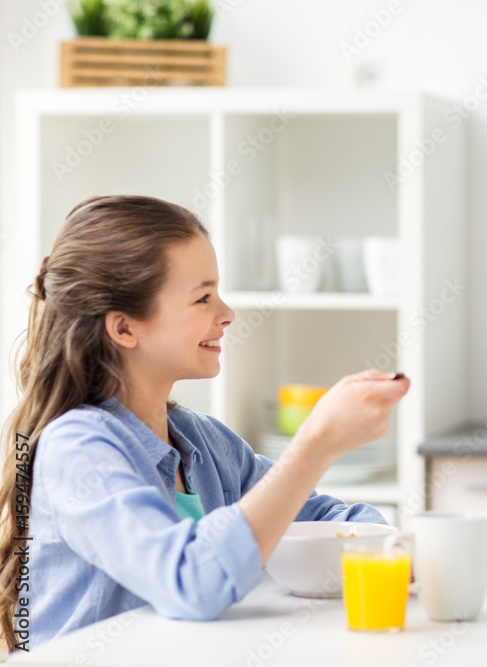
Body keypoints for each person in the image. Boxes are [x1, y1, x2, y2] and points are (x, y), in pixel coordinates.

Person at [0, 196, 410, 651]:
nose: (227, 314)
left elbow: (333, 519)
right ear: (124, 329)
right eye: (202, 297)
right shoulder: (77, 450)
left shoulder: (205, 441)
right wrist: (315, 444)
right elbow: (190, 583)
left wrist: (396, 549)